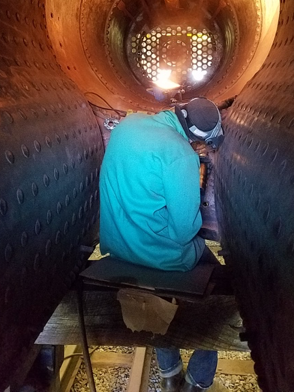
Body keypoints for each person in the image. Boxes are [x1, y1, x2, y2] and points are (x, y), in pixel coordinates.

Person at [99, 97, 224, 392]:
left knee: (157, 291)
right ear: (196, 138)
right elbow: (184, 232)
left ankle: (169, 373)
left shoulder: (127, 125)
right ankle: (198, 381)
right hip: (158, 257)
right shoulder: (181, 154)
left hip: (117, 247)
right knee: (220, 289)